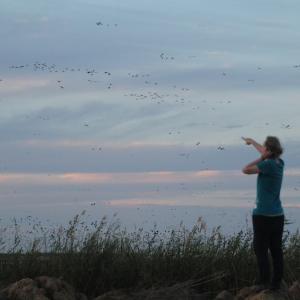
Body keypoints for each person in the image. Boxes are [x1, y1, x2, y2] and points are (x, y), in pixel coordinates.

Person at [242, 136, 284, 290]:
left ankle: (264, 281)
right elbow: (265, 150)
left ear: (269, 152)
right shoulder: (280, 163)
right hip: (278, 216)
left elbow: (245, 170)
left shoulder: (267, 165)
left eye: (265, 149)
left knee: (260, 249)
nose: (263, 150)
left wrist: (260, 158)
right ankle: (276, 283)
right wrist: (252, 141)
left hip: (263, 215)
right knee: (276, 249)